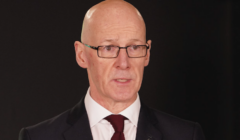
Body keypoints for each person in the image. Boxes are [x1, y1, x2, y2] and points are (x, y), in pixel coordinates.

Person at [19, 0, 206, 140]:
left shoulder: (186, 136)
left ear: (147, 54)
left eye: (134, 47)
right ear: (81, 55)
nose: (123, 63)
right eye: (108, 48)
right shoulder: (38, 137)